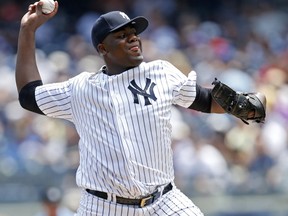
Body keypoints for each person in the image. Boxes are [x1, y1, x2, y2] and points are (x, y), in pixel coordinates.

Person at [15, 1, 265, 215]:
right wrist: (28, 30)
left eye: (133, 32)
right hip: (103, 206)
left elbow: (205, 100)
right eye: (121, 35)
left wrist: (240, 105)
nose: (132, 37)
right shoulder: (80, 89)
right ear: (103, 49)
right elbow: (28, 96)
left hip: (164, 201)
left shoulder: (161, 72)